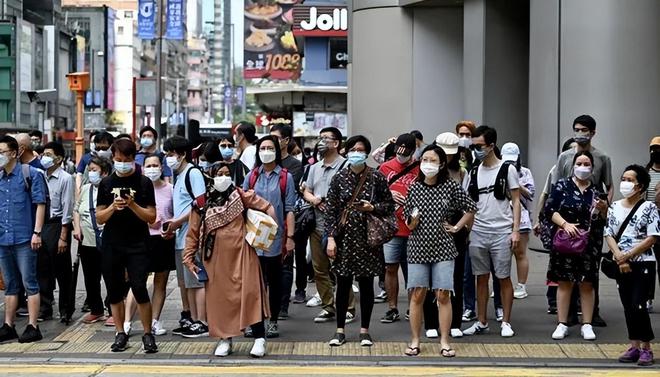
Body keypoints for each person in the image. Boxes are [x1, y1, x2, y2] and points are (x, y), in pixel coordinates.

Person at [184, 163, 276, 358]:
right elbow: (192, 234)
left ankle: (259, 338)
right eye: (219, 174)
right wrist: (189, 258)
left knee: (251, 294)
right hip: (214, 258)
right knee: (220, 299)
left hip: (243, 252)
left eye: (227, 174)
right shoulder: (200, 203)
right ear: (210, 176)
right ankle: (225, 339)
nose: (223, 177)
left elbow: (267, 207)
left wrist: (268, 232)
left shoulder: (241, 195)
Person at [403, 144, 476, 357]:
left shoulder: (451, 187)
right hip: (417, 248)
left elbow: (471, 207)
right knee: (417, 294)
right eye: (424, 160)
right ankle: (415, 340)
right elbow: (408, 224)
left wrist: (456, 227)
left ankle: (445, 341)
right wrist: (413, 221)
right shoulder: (414, 188)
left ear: (442, 163)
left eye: (433, 160)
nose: (428, 164)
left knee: (443, 294)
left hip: (444, 248)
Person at [324, 135, 395, 347]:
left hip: (368, 238)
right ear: (346, 152)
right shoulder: (339, 177)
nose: (357, 153)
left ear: (367, 153)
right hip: (344, 237)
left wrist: (372, 207)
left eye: (361, 149)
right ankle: (339, 330)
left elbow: (389, 206)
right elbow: (331, 211)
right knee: (343, 284)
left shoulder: (376, 177)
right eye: (353, 149)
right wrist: (330, 239)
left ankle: (365, 330)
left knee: (366, 285)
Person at [95, 138, 158, 353]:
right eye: (119, 159)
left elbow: (151, 216)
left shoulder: (143, 183)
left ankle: (148, 333)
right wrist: (114, 206)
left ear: (133, 159)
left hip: (138, 242)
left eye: (127, 159)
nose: (122, 163)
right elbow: (100, 218)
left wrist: (132, 205)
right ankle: (120, 332)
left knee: (139, 287)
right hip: (113, 242)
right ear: (113, 158)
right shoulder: (106, 183)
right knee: (114, 290)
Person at [551, 115, 612, 327]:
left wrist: (604, 210)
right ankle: (567, 315)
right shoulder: (565, 157)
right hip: (566, 223)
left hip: (591, 222)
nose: (580, 133)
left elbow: (609, 186)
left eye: (584, 130)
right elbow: (555, 185)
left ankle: (592, 314)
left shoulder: (602, 157)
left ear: (593, 132)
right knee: (566, 271)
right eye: (577, 129)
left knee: (589, 271)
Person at [462, 126, 521, 338]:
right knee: (480, 278)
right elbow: (468, 203)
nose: (475, 150)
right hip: (478, 231)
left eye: (479, 146)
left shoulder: (507, 169)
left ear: (491, 146)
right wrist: (467, 229)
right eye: (473, 146)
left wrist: (515, 231)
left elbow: (516, 200)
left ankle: (505, 321)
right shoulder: (474, 171)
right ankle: (481, 321)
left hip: (501, 231)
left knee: (503, 277)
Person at [545, 151, 607, 341]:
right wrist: (564, 224)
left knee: (587, 283)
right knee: (564, 282)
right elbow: (550, 210)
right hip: (565, 242)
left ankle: (587, 324)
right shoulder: (562, 186)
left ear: (592, 167)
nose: (583, 167)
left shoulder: (596, 190)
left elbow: (604, 220)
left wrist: (603, 209)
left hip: (589, 243)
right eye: (579, 163)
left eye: (587, 163)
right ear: (573, 165)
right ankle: (562, 323)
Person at [243, 136, 297, 337]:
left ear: (277, 150)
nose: (266, 151)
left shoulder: (285, 177)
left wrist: (290, 237)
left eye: (270, 147)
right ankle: (255, 321)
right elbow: (243, 203)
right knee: (254, 282)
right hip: (253, 237)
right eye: (262, 148)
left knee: (274, 281)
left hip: (275, 238)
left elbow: (290, 209)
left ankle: (273, 320)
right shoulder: (252, 176)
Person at [605, 165, 658, 366]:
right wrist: (620, 256)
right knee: (628, 305)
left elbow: (653, 237)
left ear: (640, 186)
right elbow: (608, 233)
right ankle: (634, 345)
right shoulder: (615, 206)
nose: (625, 183)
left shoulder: (649, 208)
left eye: (630, 180)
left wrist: (628, 255)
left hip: (643, 262)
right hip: (621, 262)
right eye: (623, 178)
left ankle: (646, 347)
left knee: (639, 304)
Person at [302, 127, 355, 323]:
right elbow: (306, 190)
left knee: (341, 268)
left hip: (339, 226)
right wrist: (314, 200)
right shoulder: (314, 167)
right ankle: (328, 306)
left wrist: (331, 202)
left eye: (326, 138)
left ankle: (348, 307)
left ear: (336, 143)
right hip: (316, 224)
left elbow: (351, 194)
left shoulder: (347, 166)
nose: (321, 141)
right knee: (319, 269)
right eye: (320, 138)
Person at [0, 135, 47, 343]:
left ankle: (33, 326)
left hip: (25, 239)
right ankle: (8, 325)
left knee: (30, 282)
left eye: (1, 152)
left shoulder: (32, 174)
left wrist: (37, 233)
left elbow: (40, 204)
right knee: (10, 284)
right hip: (3, 238)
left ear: (14, 152)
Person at [124, 155, 175, 336]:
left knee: (160, 282)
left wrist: (169, 226)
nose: (152, 168)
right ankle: (127, 322)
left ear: (162, 168)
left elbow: (175, 215)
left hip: (163, 240)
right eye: (149, 165)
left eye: (155, 165)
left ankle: (155, 321)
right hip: (141, 240)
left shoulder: (170, 189)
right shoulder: (137, 189)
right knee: (137, 282)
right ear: (143, 168)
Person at [163, 136, 208, 338]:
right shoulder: (179, 176)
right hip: (181, 237)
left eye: (170, 154)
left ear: (181, 155)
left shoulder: (193, 173)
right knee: (185, 282)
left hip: (193, 237)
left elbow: (200, 204)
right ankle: (192, 319)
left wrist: (177, 222)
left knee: (196, 281)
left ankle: (202, 321)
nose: (168, 159)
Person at [431, 132, 471, 339]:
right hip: (429, 231)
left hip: (454, 228)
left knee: (456, 277)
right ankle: (430, 322)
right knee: (430, 278)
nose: (447, 157)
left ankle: (455, 322)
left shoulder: (461, 173)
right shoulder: (426, 168)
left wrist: (460, 228)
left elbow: (468, 206)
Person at [377, 134, 419, 324]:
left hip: (413, 228)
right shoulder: (385, 167)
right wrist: (390, 196)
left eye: (406, 153)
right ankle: (392, 307)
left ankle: (413, 307)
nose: (401, 157)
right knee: (390, 267)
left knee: (413, 270)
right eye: (399, 153)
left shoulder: (420, 168)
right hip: (391, 227)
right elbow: (376, 195)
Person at [534, 138, 577, 315]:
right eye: (572, 151)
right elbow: (545, 194)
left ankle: (575, 302)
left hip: (578, 224)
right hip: (556, 221)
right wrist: (538, 219)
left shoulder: (587, 170)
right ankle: (553, 299)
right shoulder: (556, 170)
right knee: (556, 261)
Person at [269, 125, 303, 320]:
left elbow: (288, 195)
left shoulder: (294, 165)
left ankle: (282, 305)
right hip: (263, 222)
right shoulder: (260, 166)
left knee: (285, 263)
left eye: (275, 138)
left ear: (285, 140)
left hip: (285, 219)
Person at [38, 142, 75, 323]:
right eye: (43, 153)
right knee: (43, 268)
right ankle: (45, 307)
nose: (44, 157)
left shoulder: (66, 178)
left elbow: (67, 207)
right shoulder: (40, 176)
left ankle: (66, 309)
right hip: (42, 225)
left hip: (58, 225)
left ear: (59, 159)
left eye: (48, 154)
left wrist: (63, 236)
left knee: (62, 269)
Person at [73, 156, 112, 324]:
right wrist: (77, 227)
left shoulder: (111, 187)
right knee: (90, 276)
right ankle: (96, 310)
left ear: (104, 172)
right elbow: (76, 209)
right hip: (87, 240)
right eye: (89, 170)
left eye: (94, 170)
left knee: (111, 276)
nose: (90, 173)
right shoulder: (85, 188)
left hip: (108, 239)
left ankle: (113, 310)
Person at [500, 142, 535, 299]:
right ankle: (501, 284)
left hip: (521, 217)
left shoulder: (525, 172)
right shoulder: (497, 170)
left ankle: (521, 285)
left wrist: (516, 184)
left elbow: (530, 194)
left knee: (520, 252)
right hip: (500, 215)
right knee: (499, 254)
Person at [646, 136, 660, 312]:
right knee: (648, 263)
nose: (656, 153)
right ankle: (648, 297)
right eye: (654, 149)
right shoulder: (645, 172)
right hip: (648, 221)